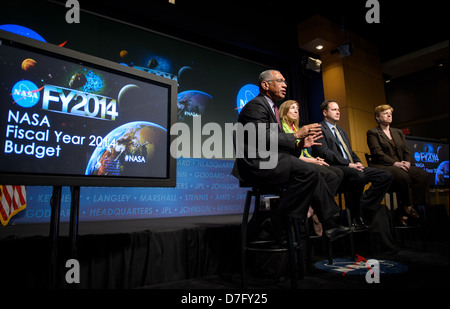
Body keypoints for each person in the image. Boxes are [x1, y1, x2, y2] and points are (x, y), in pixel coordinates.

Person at [232, 70, 350, 241]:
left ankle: (324, 222)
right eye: (280, 81)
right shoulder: (256, 106)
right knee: (310, 171)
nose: (285, 85)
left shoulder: (270, 107)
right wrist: (295, 136)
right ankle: (280, 223)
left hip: (270, 160)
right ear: (265, 85)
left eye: (285, 81)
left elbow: (275, 144)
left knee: (314, 171)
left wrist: (299, 146)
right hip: (257, 163)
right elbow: (262, 138)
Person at [311, 100, 393, 231]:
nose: (338, 112)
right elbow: (324, 152)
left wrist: (358, 161)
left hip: (352, 166)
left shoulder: (341, 131)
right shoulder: (319, 128)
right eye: (334, 110)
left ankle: (363, 206)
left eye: (338, 109)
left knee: (386, 176)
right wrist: (349, 164)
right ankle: (355, 215)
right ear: (325, 112)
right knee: (359, 176)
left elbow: (349, 151)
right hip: (335, 168)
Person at [279, 100, 345, 236]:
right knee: (330, 175)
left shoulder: (296, 129)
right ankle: (319, 215)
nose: (296, 111)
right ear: (284, 111)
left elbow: (304, 152)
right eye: (292, 108)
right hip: (293, 165)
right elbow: (291, 155)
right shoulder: (283, 129)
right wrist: (312, 161)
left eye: (297, 108)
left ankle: (313, 209)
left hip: (304, 162)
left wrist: (315, 159)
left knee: (337, 172)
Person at [367, 104, 429, 226]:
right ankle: (407, 209)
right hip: (385, 165)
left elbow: (407, 150)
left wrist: (407, 162)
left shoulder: (398, 132)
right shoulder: (373, 133)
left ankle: (407, 208)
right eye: (385, 113)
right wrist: (395, 163)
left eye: (390, 113)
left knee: (423, 175)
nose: (389, 115)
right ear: (377, 117)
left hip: (401, 164)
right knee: (403, 176)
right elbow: (378, 153)